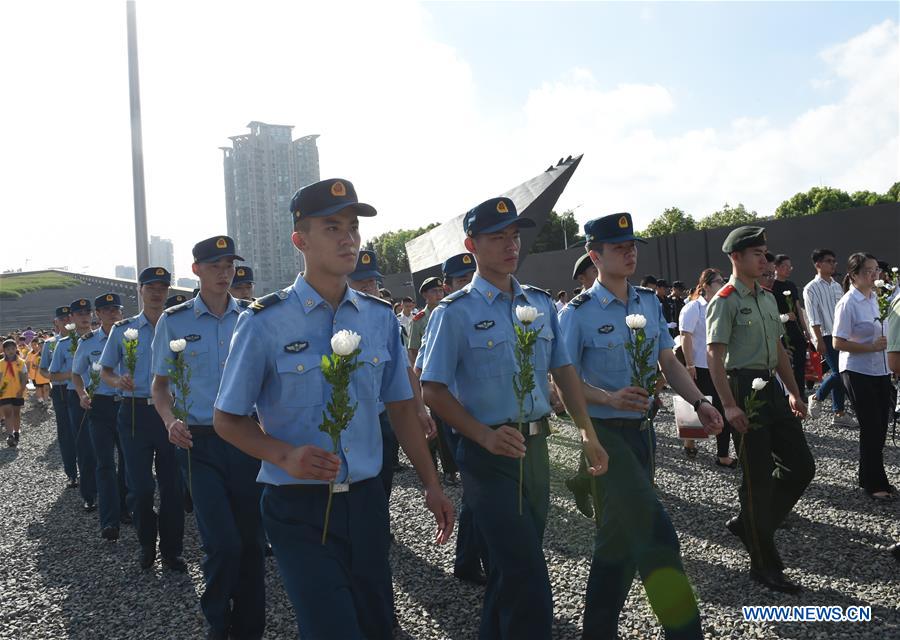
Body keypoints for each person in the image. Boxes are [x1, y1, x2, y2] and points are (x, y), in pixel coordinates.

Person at [213, 178, 454, 640]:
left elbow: (402, 407)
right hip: (296, 505)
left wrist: (431, 483)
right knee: (331, 628)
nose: (348, 238)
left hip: (365, 501)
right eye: (332, 227)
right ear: (300, 240)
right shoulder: (264, 322)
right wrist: (284, 456)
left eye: (352, 227)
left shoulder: (378, 317)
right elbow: (228, 419)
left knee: (378, 623)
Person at [421, 196, 608, 640]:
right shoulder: (454, 313)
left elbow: (563, 370)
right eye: (496, 237)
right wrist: (483, 437)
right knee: (527, 572)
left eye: (514, 236)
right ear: (472, 245)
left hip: (537, 448)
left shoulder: (541, 304)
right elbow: (432, 389)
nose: (510, 245)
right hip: (488, 457)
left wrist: (587, 433)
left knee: (510, 569)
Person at [558, 213, 722, 639]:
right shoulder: (577, 312)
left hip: (643, 434)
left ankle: (596, 630)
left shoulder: (648, 301)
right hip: (604, 436)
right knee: (658, 536)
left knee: (616, 541)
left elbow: (668, 359)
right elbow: (561, 380)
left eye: (633, 245)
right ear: (595, 255)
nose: (630, 252)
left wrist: (699, 400)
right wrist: (608, 397)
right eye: (619, 247)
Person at [152, 236, 265, 639]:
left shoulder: (252, 317)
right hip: (197, 442)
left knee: (251, 543)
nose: (225, 272)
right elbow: (160, 387)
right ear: (196, 269)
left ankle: (251, 627)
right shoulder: (175, 320)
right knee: (222, 543)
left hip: (248, 436)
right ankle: (218, 620)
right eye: (215, 264)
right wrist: (168, 421)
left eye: (229, 264)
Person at [706, 226, 814, 594]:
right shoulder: (724, 300)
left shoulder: (768, 298)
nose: (765, 261)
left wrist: (795, 393)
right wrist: (729, 405)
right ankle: (764, 565)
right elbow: (714, 357)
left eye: (766, 253)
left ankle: (750, 524)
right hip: (741, 387)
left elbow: (780, 352)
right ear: (735, 257)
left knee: (802, 466)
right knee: (757, 482)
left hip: (769, 386)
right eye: (757, 254)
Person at [100, 267, 186, 572]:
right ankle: (147, 542)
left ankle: (173, 549)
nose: (157, 292)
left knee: (173, 486)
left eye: (163, 286)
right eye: (151, 286)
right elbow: (105, 369)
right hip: (135, 412)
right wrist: (115, 382)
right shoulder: (124, 329)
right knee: (140, 487)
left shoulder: (177, 323)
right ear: (140, 290)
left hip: (170, 412)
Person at [415, 251, 488, 585]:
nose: (465, 286)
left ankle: (469, 561)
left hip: (485, 416)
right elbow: (421, 371)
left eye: (468, 278)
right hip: (459, 416)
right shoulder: (440, 319)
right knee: (477, 491)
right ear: (446, 285)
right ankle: (473, 562)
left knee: (477, 494)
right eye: (459, 281)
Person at [832, 253, 892, 500]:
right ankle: (875, 482)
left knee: (881, 425)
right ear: (854, 275)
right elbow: (837, 342)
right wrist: (870, 347)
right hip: (858, 370)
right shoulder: (848, 302)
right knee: (871, 426)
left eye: (876, 269)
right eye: (868, 271)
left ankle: (867, 475)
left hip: (881, 368)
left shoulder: (877, 298)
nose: (874, 274)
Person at [72, 293, 130, 540]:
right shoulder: (88, 342)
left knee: (128, 461)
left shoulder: (132, 337)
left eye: (115, 308)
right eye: (106, 310)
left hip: (128, 405)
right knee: (105, 463)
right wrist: (82, 394)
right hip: (101, 406)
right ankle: (109, 520)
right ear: (98, 314)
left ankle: (126, 508)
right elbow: (76, 374)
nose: (112, 313)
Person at [679, 269, 734, 467]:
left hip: (720, 366)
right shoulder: (694, 307)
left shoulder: (723, 306)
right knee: (696, 404)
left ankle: (722, 454)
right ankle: (690, 438)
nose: (723, 283)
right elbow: (686, 335)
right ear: (706, 286)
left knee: (723, 407)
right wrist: (689, 363)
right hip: (700, 366)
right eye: (719, 281)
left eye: (723, 280)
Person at [48, 298, 98, 511]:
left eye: (88, 312)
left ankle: (118, 495)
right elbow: (52, 374)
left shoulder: (103, 338)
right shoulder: (64, 344)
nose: (85, 317)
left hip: (103, 396)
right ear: (72, 318)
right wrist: (73, 373)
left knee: (112, 448)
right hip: (76, 397)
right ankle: (89, 494)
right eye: (80, 313)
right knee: (84, 446)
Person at [803, 249, 855, 426]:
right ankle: (817, 397)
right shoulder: (810, 288)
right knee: (839, 372)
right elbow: (813, 317)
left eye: (834, 261)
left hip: (842, 335)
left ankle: (839, 413)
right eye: (829, 261)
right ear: (818, 264)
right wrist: (818, 340)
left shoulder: (836, 285)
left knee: (840, 373)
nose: (833, 264)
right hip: (826, 335)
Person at [40, 306, 79, 488]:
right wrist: (66, 376)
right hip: (62, 390)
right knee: (66, 432)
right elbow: (43, 370)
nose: (66, 321)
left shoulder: (82, 339)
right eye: (62, 318)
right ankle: (71, 472)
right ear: (55, 322)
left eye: (68, 317)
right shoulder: (51, 343)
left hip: (82, 389)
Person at [772, 254, 812, 396]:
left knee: (800, 364)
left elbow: (798, 308)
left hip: (796, 330)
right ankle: (788, 394)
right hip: (782, 330)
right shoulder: (772, 287)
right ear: (775, 267)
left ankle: (800, 393)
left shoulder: (791, 285)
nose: (788, 269)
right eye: (784, 266)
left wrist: (805, 329)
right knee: (786, 364)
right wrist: (785, 317)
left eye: (790, 267)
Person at [1, 338, 28, 447]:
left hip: (17, 391)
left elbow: (24, 377)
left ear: (16, 348)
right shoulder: (0, 363)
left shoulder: (21, 363)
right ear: (4, 351)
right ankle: (10, 434)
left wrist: (21, 390)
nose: (11, 351)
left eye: (13, 348)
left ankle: (16, 432)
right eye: (8, 349)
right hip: (4, 392)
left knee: (16, 413)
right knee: (7, 413)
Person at [25, 338, 50, 407]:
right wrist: (35, 368)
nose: (42, 348)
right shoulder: (34, 356)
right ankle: (41, 400)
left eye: (43, 346)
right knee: (39, 388)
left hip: (46, 375)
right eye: (40, 346)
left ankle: (45, 401)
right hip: (37, 376)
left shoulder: (49, 354)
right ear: (38, 347)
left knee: (46, 388)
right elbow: (32, 367)